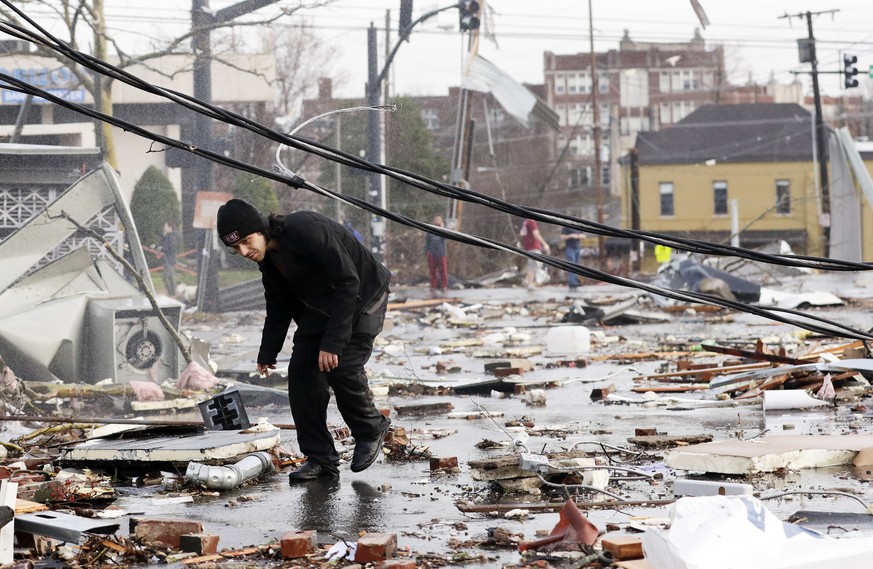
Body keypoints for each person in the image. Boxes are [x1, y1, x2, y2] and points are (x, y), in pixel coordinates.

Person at [216, 199, 392, 483]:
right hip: (322, 308)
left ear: (261, 228)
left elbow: (349, 282)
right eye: (236, 249)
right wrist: (268, 350)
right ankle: (321, 458)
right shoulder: (269, 261)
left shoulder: (306, 230)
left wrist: (333, 343)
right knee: (301, 375)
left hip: (363, 296)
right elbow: (278, 305)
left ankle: (371, 428)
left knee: (341, 366)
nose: (244, 252)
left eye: (247, 241)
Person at [519, 218, 550, 288]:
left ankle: (529, 281)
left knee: (535, 265)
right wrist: (544, 243)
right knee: (533, 266)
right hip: (533, 247)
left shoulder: (525, 221)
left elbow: (521, 233)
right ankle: (530, 283)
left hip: (528, 246)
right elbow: (535, 233)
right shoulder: (531, 221)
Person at [424, 215, 448, 294]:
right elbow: (427, 242)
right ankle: (433, 286)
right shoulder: (430, 230)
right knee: (432, 272)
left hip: (441, 253)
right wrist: (426, 252)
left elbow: (445, 238)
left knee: (443, 271)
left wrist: (443, 228)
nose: (437, 221)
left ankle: (444, 286)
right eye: (436, 220)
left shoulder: (443, 230)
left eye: (439, 220)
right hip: (432, 254)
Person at [560, 226, 585, 291]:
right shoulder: (566, 227)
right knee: (571, 264)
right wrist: (571, 236)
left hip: (577, 248)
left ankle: (575, 281)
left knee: (577, 265)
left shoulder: (578, 226)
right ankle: (572, 282)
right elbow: (562, 237)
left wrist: (578, 236)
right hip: (569, 248)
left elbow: (584, 236)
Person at [158, 221, 178, 297]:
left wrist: (162, 248)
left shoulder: (172, 237)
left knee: (167, 277)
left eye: (165, 226)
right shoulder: (166, 236)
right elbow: (161, 243)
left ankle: (171, 293)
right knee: (169, 277)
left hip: (170, 260)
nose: (164, 228)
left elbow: (170, 247)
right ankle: (172, 292)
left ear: (170, 227)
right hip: (167, 259)